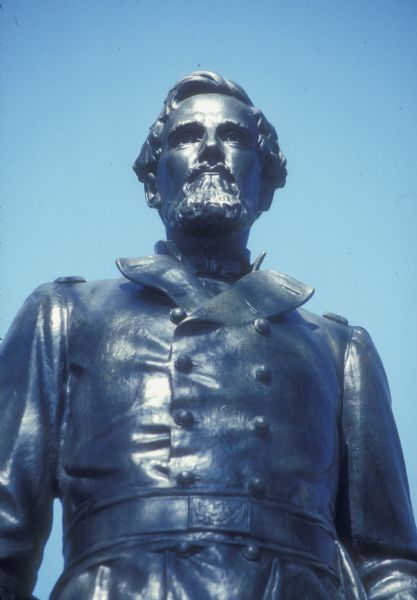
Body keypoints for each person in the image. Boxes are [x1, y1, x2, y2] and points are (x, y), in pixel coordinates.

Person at [1, 71, 416, 599]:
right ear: (153, 182)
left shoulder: (338, 348)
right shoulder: (65, 314)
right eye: (188, 136)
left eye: (235, 138)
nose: (213, 151)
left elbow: (389, 564)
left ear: (265, 184)